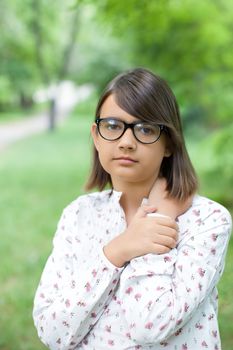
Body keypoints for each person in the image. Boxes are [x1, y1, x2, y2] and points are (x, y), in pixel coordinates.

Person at [33, 68, 232, 350]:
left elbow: (151, 324)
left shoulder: (207, 221)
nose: (127, 142)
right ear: (97, 135)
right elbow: (52, 331)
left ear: (169, 144)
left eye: (146, 129)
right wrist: (118, 250)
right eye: (113, 126)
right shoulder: (79, 215)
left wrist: (159, 220)